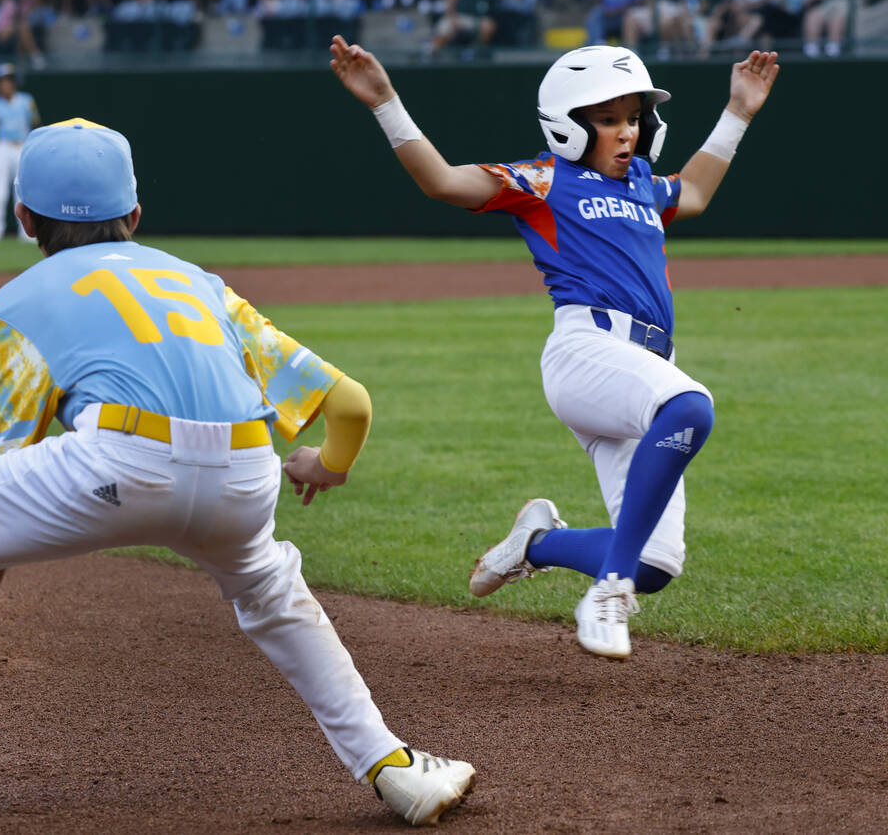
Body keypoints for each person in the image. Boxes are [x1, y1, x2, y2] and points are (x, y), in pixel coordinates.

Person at [0, 119, 476, 835]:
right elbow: (352, 404)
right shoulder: (197, 281)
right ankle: (397, 772)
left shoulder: (14, 301)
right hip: (247, 471)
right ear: (136, 216)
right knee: (271, 589)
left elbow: (6, 486)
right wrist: (325, 465)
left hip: (120, 463)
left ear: (25, 221)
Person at [329, 36, 778, 659]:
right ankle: (607, 590)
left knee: (656, 560)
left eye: (633, 117)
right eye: (608, 119)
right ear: (568, 126)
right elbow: (442, 182)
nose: (627, 132)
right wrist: (385, 102)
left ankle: (535, 544)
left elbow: (695, 192)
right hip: (585, 354)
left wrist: (739, 113)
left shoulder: (644, 183)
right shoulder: (544, 179)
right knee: (690, 408)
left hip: (643, 367)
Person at [0, 63, 40, 244]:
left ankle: (27, 233)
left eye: (8, 81)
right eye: (2, 82)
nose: (5, 85)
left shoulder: (27, 101)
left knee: (23, 191)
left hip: (22, 146)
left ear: (14, 83)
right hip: (2, 147)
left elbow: (36, 125)